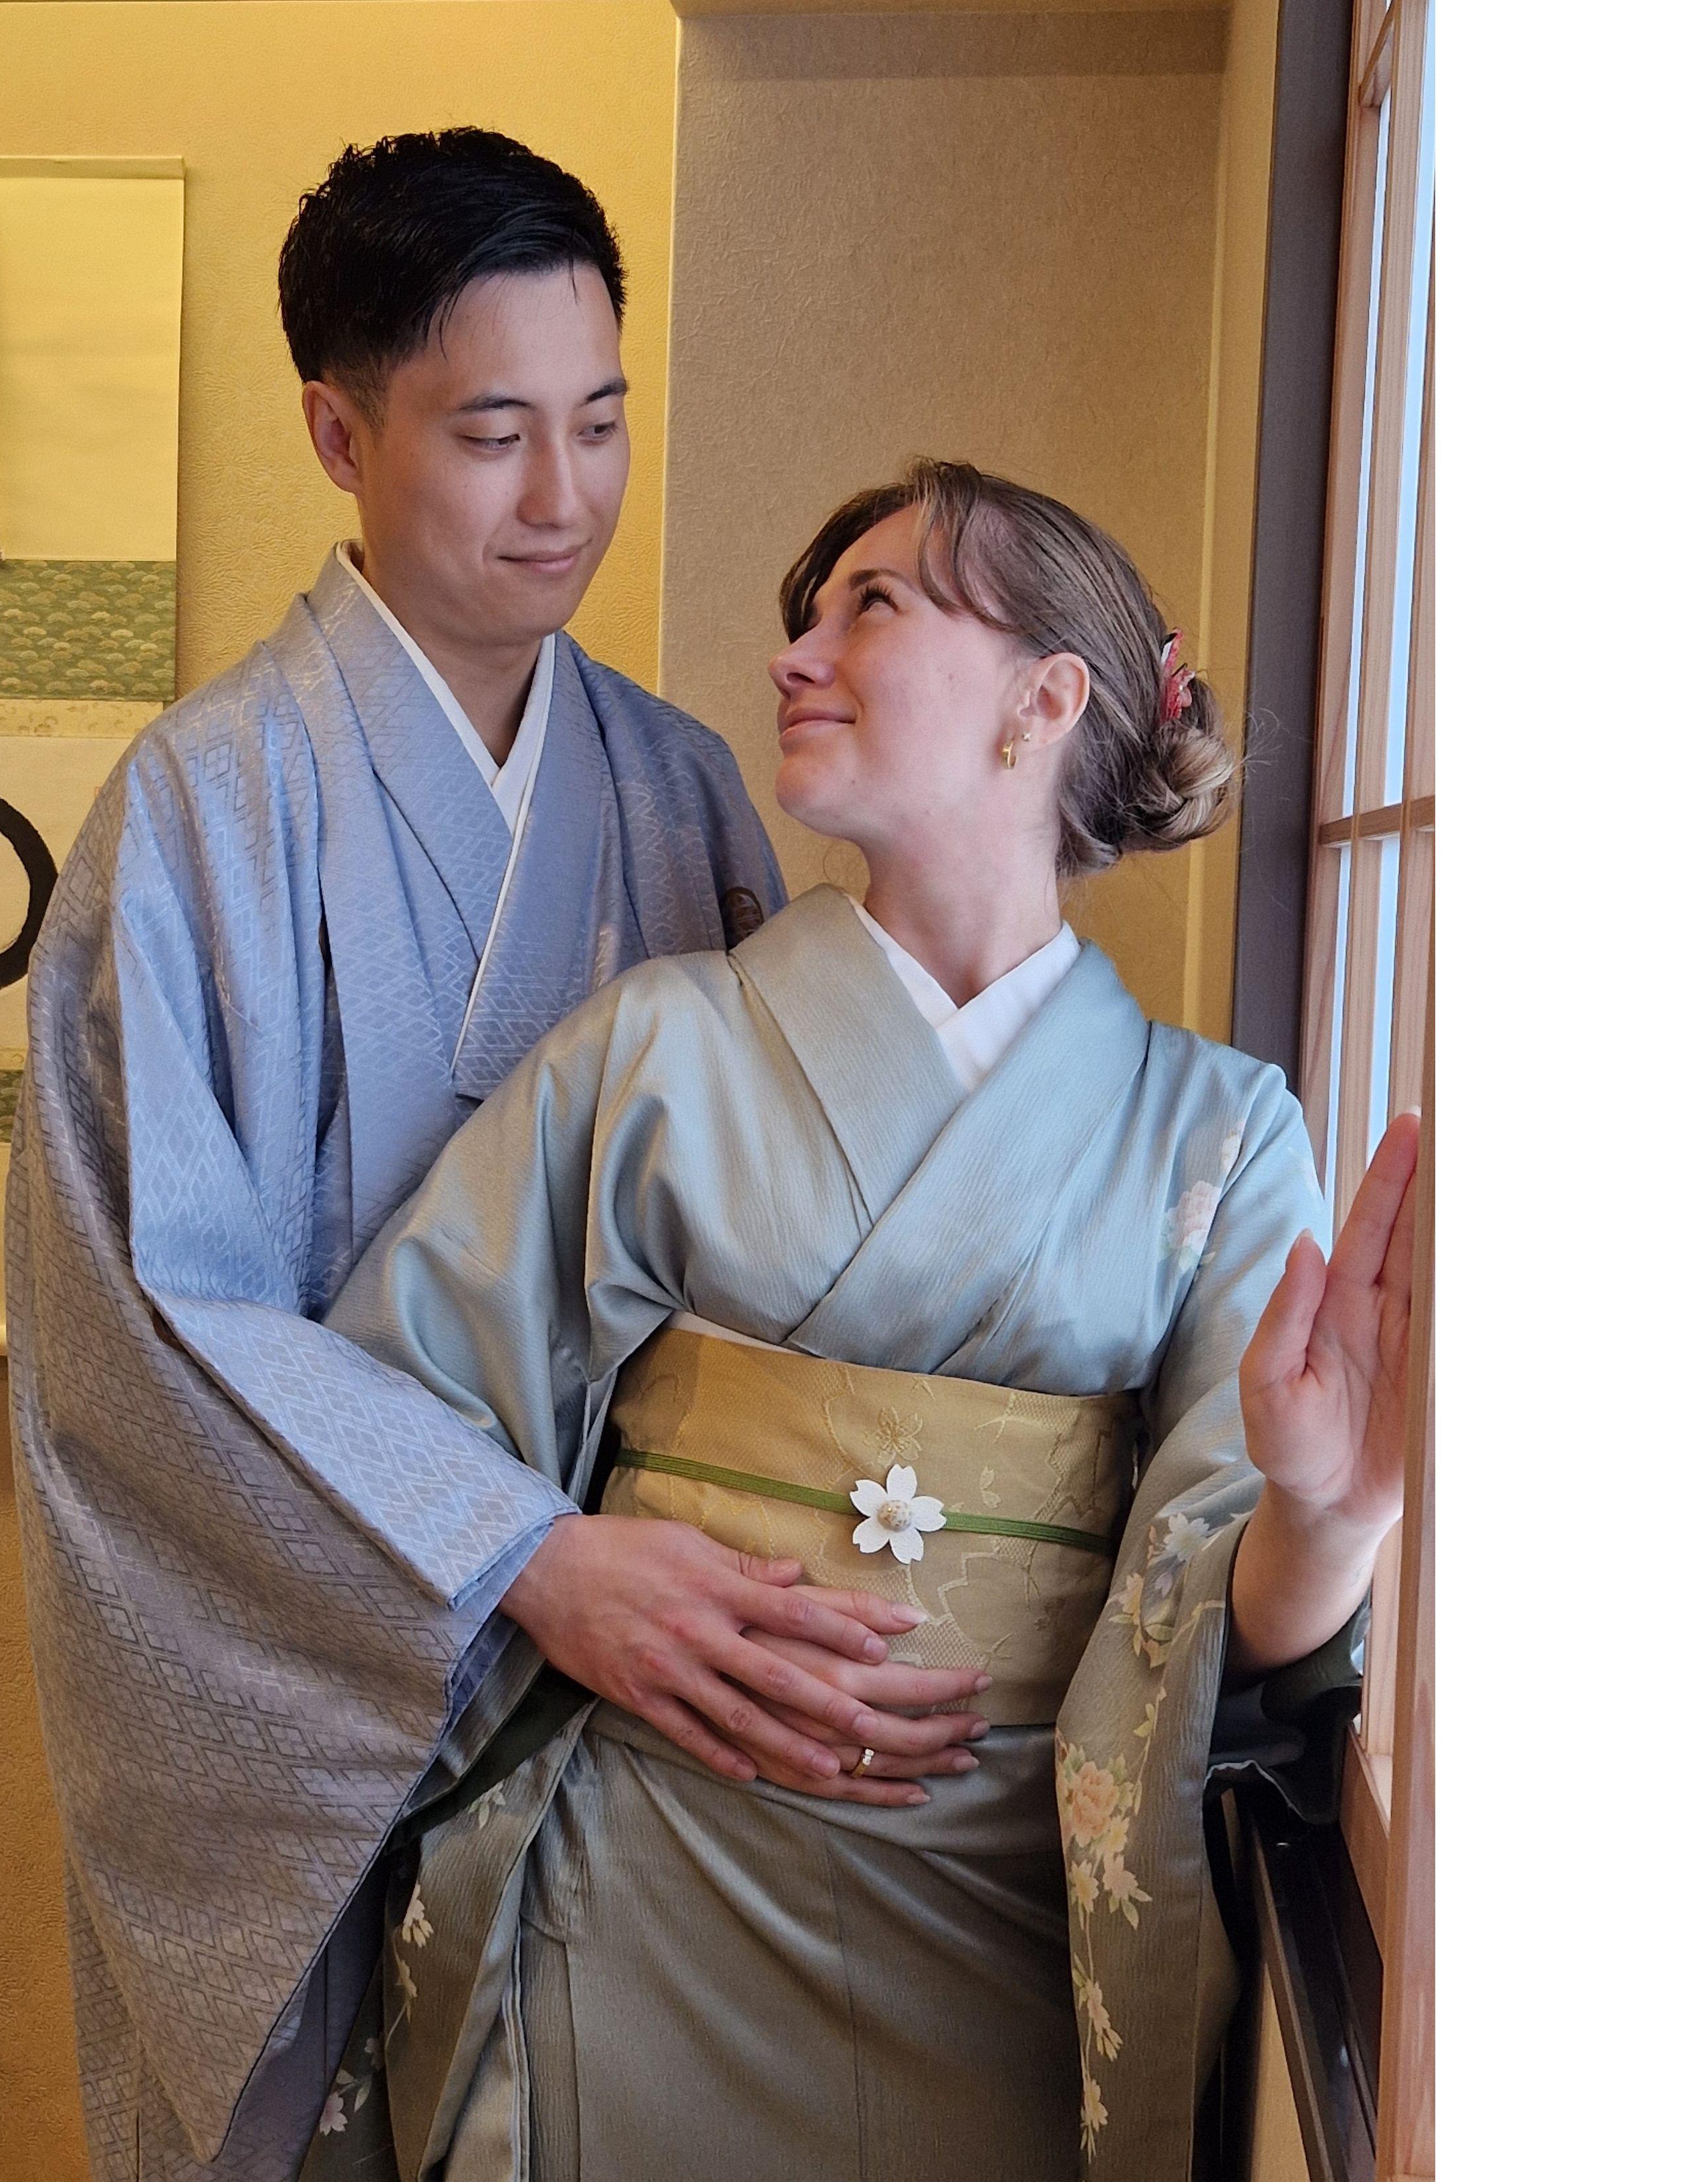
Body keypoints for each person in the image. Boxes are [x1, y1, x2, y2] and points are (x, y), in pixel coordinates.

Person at [8, 130, 972, 2182]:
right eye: (496, 434)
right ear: (339, 432)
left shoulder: (675, 786)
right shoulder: (195, 818)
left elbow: (783, 1223)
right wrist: (523, 1559)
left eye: (606, 425)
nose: (567, 501)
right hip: (364, 1666)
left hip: (653, 1696)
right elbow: (146, 1328)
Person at [306, 461, 1417, 2182]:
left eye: (871, 606)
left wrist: (1335, 1508)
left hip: (1011, 1923)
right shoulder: (656, 1049)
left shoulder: (1218, 1131)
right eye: (803, 618)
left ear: (1046, 700)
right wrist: (556, 1571)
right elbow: (389, 1405)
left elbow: (1223, 1607)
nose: (794, 655)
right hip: (648, 1880)